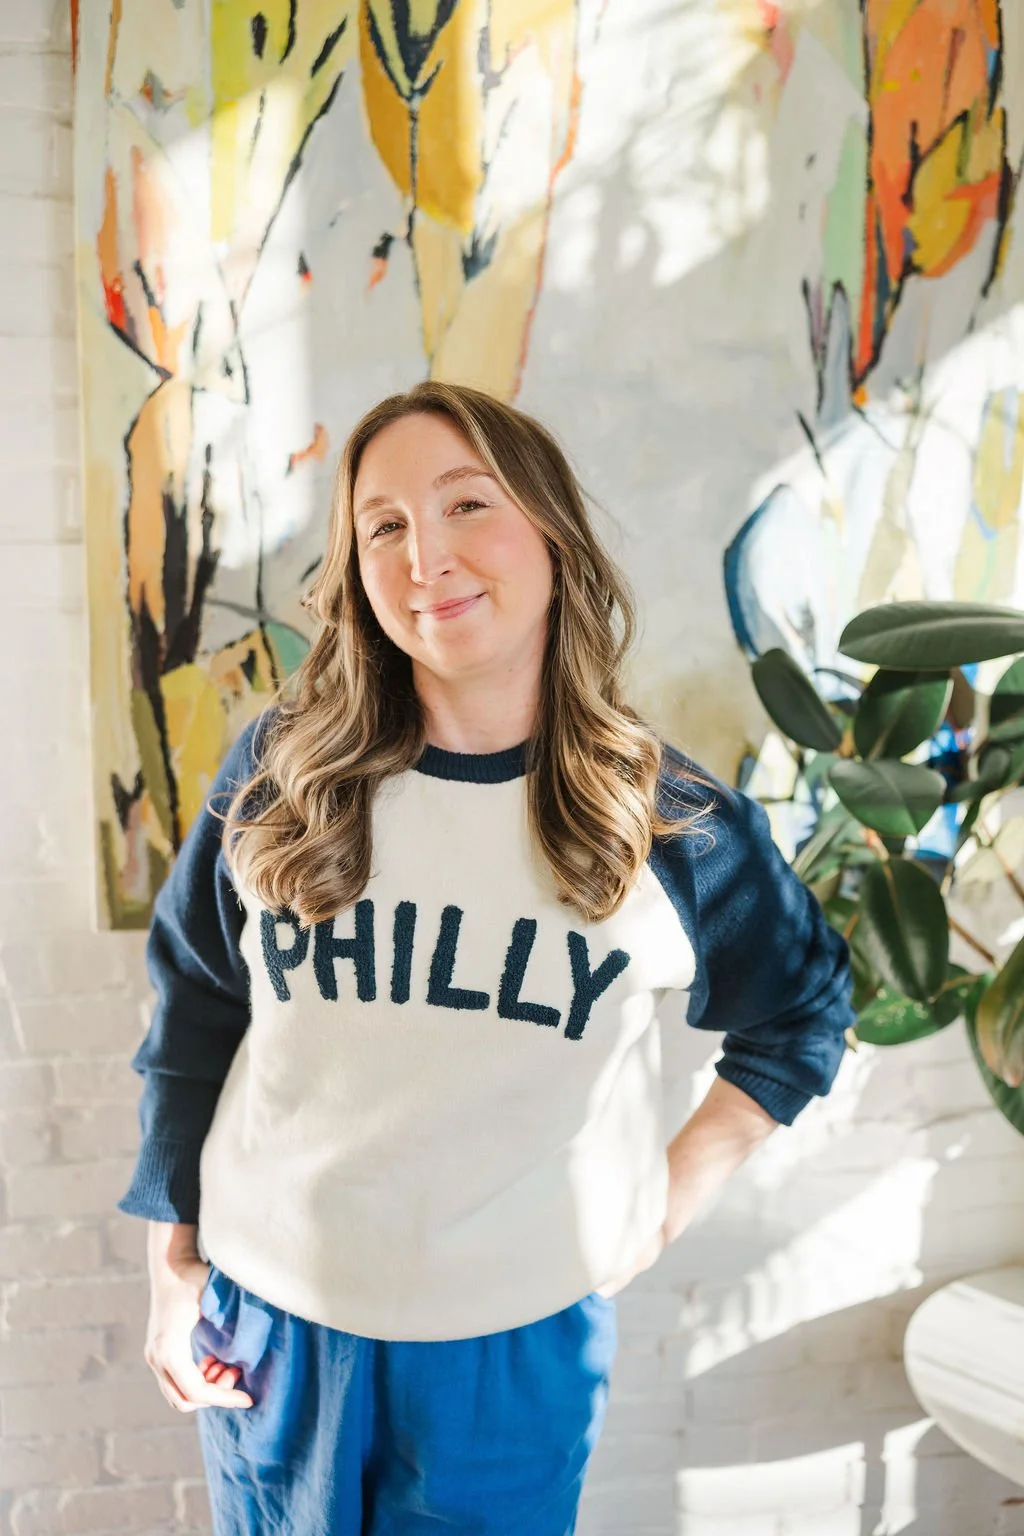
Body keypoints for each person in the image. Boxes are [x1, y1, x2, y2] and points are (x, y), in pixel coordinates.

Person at [117, 380, 855, 1535]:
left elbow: (802, 1013)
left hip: (510, 1350)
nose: (427, 557)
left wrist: (663, 1201)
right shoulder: (279, 772)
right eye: (386, 526)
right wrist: (172, 1267)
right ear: (357, 569)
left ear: (552, 535)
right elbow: (196, 1004)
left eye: (468, 505)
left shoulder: (666, 822)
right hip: (269, 1320)